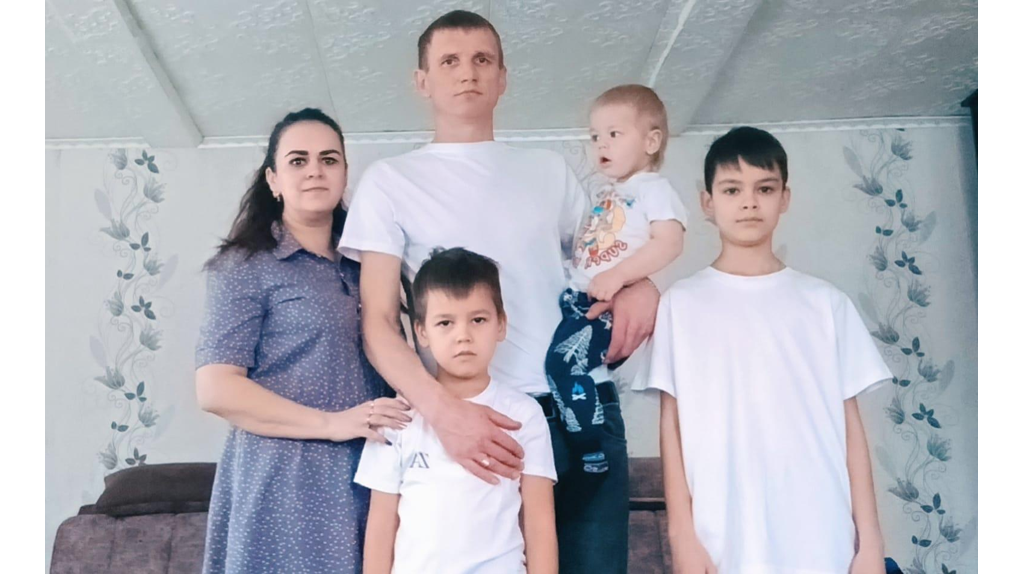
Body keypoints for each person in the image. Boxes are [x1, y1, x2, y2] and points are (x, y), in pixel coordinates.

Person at [339, 11, 659, 573]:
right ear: (422, 81)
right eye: (450, 61)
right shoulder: (389, 181)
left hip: (581, 408)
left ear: (504, 77)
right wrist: (443, 413)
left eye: (482, 60)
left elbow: (605, 261)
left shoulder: (550, 170)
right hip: (472, 421)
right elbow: (379, 324)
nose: (468, 72)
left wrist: (644, 284)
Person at [646, 126, 890, 573]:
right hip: (721, 533)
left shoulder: (826, 303)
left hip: (821, 531)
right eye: (732, 189)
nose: (749, 202)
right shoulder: (680, 305)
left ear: (784, 198)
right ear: (707, 202)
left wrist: (870, 543)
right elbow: (671, 426)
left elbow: (852, 431)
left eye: (764, 188)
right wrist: (682, 537)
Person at [194, 108, 410, 573]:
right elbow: (215, 388)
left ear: (345, 174)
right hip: (282, 479)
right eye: (298, 160)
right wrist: (332, 423)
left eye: (329, 159)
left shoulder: (370, 264)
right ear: (273, 180)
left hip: (370, 475)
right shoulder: (245, 266)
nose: (315, 170)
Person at [356, 248, 557, 574]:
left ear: (501, 325)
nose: (463, 336)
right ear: (422, 332)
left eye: (478, 320)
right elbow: (380, 526)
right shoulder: (397, 417)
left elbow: (539, 524)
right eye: (445, 323)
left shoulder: (524, 415)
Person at [546, 84, 687, 475]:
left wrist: (620, 276)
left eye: (614, 133)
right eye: (595, 136)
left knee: (562, 365)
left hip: (603, 303)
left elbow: (670, 241)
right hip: (580, 298)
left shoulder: (654, 189)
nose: (601, 145)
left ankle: (591, 448)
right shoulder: (610, 192)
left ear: (651, 141)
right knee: (564, 368)